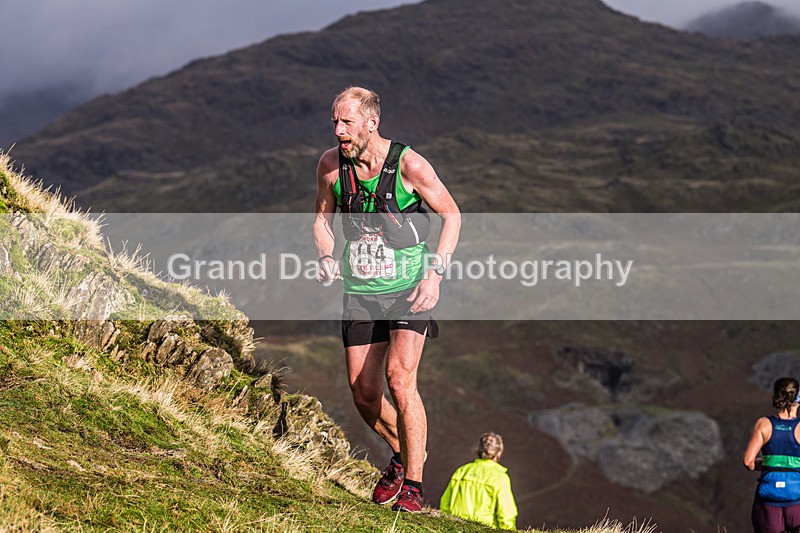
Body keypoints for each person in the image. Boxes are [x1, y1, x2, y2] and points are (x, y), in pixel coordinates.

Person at [313, 86, 461, 512]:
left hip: (409, 290)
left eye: (347, 122)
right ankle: (403, 452)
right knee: (364, 393)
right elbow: (321, 219)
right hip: (360, 293)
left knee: (400, 380)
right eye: (335, 122)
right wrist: (326, 256)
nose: (338, 130)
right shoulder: (330, 165)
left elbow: (452, 215)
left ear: (371, 122)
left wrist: (434, 276)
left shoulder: (410, 165)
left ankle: (413, 485)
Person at [744, 376, 800, 533]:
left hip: (768, 501)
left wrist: (768, 464)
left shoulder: (763, 424)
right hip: (797, 499)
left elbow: (748, 461)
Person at [440, 432, 518, 530]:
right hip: (485, 529)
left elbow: (445, 504)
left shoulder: (462, 471)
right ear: (498, 453)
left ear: (478, 449)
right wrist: (509, 530)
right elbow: (506, 513)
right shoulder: (500, 477)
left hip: (457, 528)